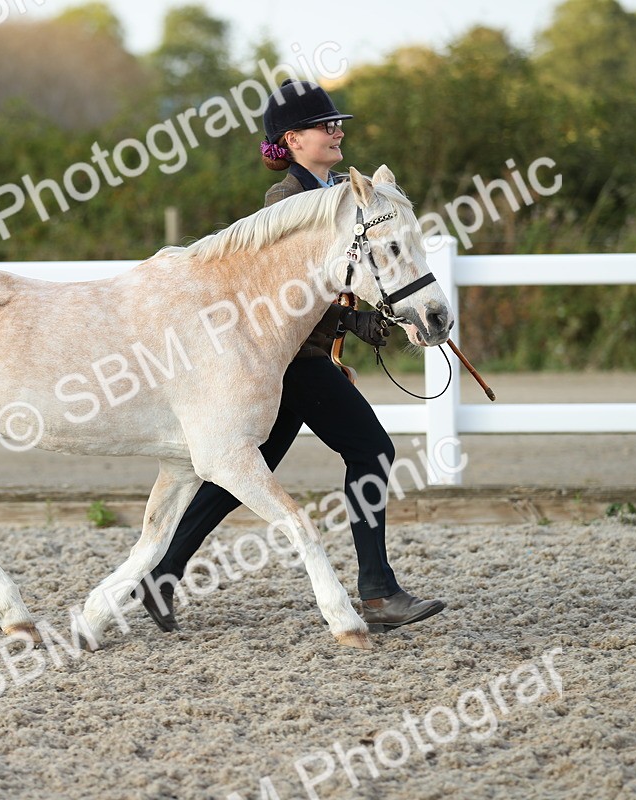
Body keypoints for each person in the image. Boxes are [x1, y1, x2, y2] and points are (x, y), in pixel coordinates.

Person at [136, 79, 446, 635]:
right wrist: (351, 320)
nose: (337, 131)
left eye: (336, 123)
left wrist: (358, 319)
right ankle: (376, 591)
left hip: (301, 358)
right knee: (372, 450)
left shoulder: (343, 194)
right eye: (325, 125)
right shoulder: (290, 202)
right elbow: (292, 291)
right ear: (292, 140)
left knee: (246, 469)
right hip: (289, 360)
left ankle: (161, 573)